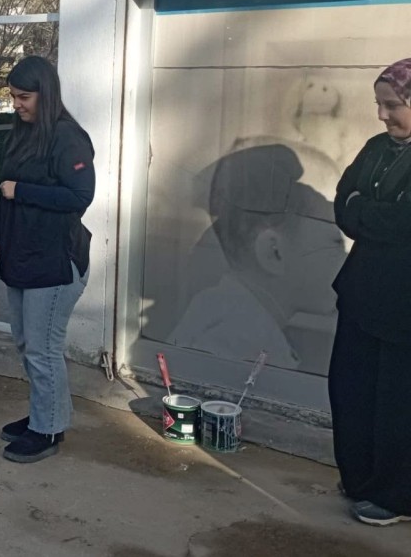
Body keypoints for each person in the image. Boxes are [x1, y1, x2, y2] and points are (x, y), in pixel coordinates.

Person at [0, 56, 94, 464]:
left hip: (55, 262)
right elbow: (4, 189)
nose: (17, 104)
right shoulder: (22, 133)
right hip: (22, 256)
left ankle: (46, 431)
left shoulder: (69, 138)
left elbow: (79, 197)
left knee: (43, 350)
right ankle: (47, 415)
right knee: (28, 343)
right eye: (12, 96)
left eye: (24, 97)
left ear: (45, 95)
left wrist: (23, 191)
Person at [168, 142, 344, 372]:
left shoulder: (227, 314)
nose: (347, 262)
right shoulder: (236, 342)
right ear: (274, 253)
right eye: (335, 244)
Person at [329, 57, 411, 527]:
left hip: (404, 306)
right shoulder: (377, 148)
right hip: (362, 294)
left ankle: (396, 494)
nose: (382, 115)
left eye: (392, 105)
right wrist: (379, 213)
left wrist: (368, 211)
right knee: (351, 388)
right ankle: (360, 478)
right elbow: (344, 204)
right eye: (378, 104)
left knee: (398, 400)